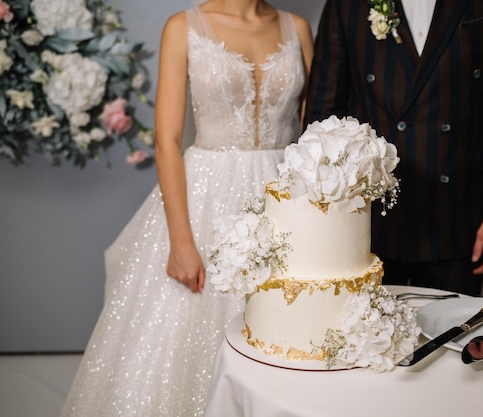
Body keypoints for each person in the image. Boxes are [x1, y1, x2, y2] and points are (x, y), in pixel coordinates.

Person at [60, 1, 313, 416]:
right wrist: (181, 241)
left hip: (284, 196)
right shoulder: (184, 27)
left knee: (284, 327)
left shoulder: (296, 27)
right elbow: (166, 141)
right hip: (207, 197)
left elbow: (310, 126)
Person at [304, 0, 483, 296]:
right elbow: (323, 117)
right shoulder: (346, 4)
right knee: (363, 339)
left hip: (459, 212)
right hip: (363, 216)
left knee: (451, 337)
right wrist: (321, 212)